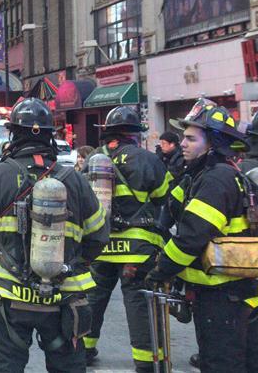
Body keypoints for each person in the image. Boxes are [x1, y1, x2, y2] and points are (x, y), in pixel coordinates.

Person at [0, 97, 109, 372]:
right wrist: (76, 262)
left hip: (10, 295)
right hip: (64, 297)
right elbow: (99, 234)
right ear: (50, 136)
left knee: (5, 366)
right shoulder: (74, 180)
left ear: (13, 133)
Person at [146, 100, 258, 373]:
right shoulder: (210, 175)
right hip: (241, 295)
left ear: (212, 142)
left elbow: (191, 238)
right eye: (182, 138)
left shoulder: (216, 180)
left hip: (225, 299)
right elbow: (171, 209)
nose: (183, 144)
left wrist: (160, 270)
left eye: (191, 138)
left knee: (222, 366)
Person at [86, 105, 173, 370]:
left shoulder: (95, 159)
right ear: (135, 133)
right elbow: (165, 198)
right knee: (137, 302)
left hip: (101, 246)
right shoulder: (146, 159)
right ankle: (145, 361)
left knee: (94, 298)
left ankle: (84, 351)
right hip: (137, 249)